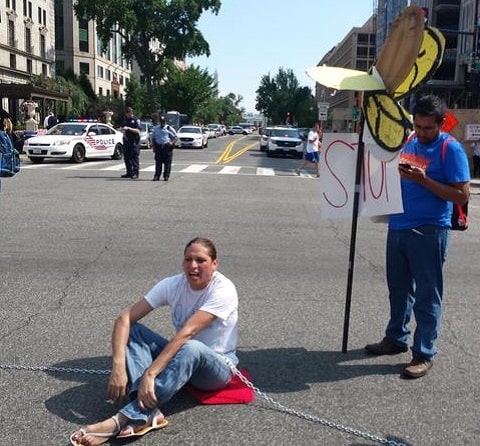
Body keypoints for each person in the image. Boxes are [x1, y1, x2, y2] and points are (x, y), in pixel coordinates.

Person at [70, 237, 238, 445]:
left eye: (200, 260)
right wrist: (118, 366)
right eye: (188, 260)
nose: (193, 266)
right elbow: (124, 318)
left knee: (191, 347)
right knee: (133, 329)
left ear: (214, 264)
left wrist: (151, 373)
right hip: (183, 355)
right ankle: (148, 412)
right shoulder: (172, 285)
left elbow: (187, 333)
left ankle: (120, 419)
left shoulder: (224, 290)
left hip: (215, 369)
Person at [365, 94, 470, 379]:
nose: (422, 133)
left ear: (440, 124)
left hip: (429, 229)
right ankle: (396, 338)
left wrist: (423, 180)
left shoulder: (451, 149)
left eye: (428, 128)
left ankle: (423, 353)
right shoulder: (410, 141)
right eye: (418, 126)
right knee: (398, 290)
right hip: (398, 226)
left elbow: (461, 194)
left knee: (427, 294)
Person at [150, 115, 177, 181]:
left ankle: (166, 176)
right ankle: (157, 176)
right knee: (158, 163)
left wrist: (171, 142)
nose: (162, 123)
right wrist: (153, 147)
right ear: (159, 122)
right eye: (161, 122)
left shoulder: (169, 128)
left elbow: (176, 137)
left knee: (167, 163)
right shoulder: (156, 128)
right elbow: (153, 138)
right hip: (159, 147)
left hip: (167, 147)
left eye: (163, 122)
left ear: (165, 122)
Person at [118, 107, 141, 179]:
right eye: (127, 114)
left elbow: (138, 131)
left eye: (129, 114)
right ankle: (129, 172)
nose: (128, 116)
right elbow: (121, 128)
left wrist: (129, 128)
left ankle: (135, 173)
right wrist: (122, 129)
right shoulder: (125, 120)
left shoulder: (136, 120)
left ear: (131, 113)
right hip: (126, 141)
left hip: (134, 141)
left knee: (134, 157)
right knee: (126, 158)